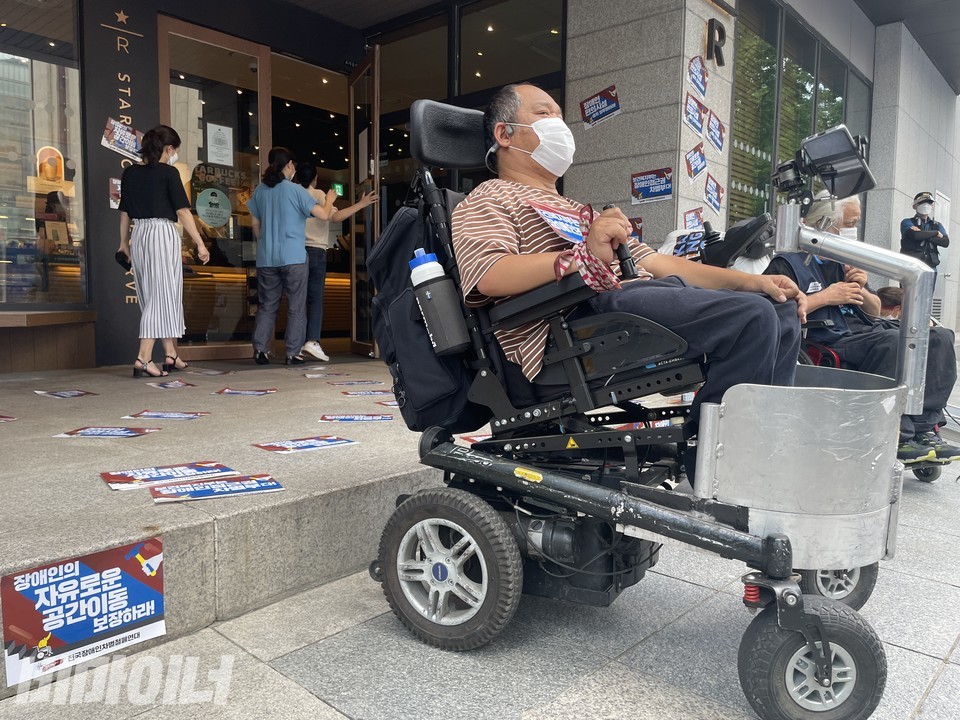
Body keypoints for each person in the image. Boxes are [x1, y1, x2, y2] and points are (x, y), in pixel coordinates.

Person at [451, 83, 806, 445]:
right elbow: (488, 277)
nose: (558, 124)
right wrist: (581, 257)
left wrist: (754, 282)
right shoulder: (488, 198)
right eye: (544, 114)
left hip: (628, 301)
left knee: (780, 312)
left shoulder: (577, 209)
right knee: (753, 319)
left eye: (560, 116)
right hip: (571, 324)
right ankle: (717, 459)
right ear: (504, 134)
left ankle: (763, 448)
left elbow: (655, 261)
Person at [765, 194, 960, 463]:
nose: (852, 231)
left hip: (864, 329)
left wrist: (862, 287)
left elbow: (874, 308)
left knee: (939, 336)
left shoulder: (841, 260)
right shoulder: (787, 264)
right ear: (824, 223)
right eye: (849, 223)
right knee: (895, 342)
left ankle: (926, 428)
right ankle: (899, 433)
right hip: (828, 337)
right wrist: (827, 297)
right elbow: (772, 316)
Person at [117, 125, 210, 378]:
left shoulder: (130, 174)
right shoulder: (168, 173)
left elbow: (125, 211)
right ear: (168, 148)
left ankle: (171, 353)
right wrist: (200, 243)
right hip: (161, 233)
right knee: (161, 295)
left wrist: (123, 243)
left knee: (155, 294)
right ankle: (144, 357)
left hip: (140, 234)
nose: (174, 155)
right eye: (174, 150)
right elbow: (182, 211)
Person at [246, 148, 333, 365]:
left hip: (267, 258)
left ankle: (260, 350)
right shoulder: (296, 191)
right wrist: (329, 199)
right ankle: (292, 352)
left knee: (267, 305)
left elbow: (255, 226)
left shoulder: (260, 191)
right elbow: (323, 214)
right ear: (290, 165)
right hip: (294, 257)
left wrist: (265, 243)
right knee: (296, 305)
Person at [294, 162, 377, 362]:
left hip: (294, 252)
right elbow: (336, 217)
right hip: (316, 252)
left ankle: (294, 345)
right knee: (315, 299)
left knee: (297, 300)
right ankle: (312, 341)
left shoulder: (291, 193)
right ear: (315, 178)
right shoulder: (319, 195)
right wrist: (361, 204)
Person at [900, 191, 949, 283]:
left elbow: (945, 242)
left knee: (927, 296)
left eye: (929, 202)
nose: (926, 205)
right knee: (907, 295)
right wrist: (935, 233)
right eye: (922, 202)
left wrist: (924, 234)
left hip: (930, 267)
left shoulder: (937, 225)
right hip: (911, 266)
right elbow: (916, 235)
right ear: (915, 206)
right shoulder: (907, 222)